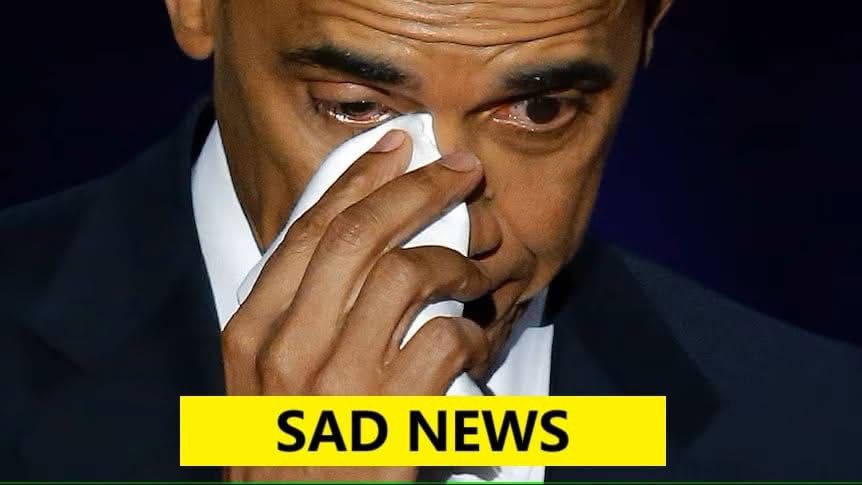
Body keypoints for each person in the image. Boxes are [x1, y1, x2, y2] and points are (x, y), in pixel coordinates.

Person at [1, 0, 860, 481]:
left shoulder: (826, 433)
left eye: (540, 111)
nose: (451, 232)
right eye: (353, 107)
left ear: (646, 27)